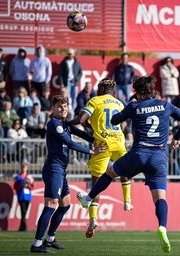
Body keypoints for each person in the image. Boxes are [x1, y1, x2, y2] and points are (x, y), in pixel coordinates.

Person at [77, 75, 180, 253]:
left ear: (136, 91)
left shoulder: (135, 106)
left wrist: (126, 111)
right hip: (159, 157)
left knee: (109, 173)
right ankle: (162, 226)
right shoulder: (165, 105)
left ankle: (88, 198)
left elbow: (114, 121)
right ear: (153, 90)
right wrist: (176, 138)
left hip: (138, 154)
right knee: (160, 198)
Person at [30, 95, 105, 253]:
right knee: (51, 205)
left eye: (65, 106)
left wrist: (98, 139)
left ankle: (50, 239)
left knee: (65, 205)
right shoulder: (54, 124)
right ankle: (36, 244)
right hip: (53, 169)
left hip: (61, 170)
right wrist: (92, 151)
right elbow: (70, 143)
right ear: (53, 108)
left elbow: (81, 134)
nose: (63, 109)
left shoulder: (65, 123)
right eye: (59, 106)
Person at [69, 78, 133, 238]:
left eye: (98, 87)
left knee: (96, 183)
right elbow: (124, 124)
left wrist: (66, 123)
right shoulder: (119, 103)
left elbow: (80, 120)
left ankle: (93, 220)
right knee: (124, 169)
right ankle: (127, 201)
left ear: (103, 88)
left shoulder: (95, 101)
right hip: (119, 142)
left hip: (102, 145)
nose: (96, 90)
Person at [13, 161, 34, 231]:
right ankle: (24, 226)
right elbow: (15, 186)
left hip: (28, 196)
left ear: (27, 168)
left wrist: (28, 185)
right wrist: (21, 185)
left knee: (25, 211)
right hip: (21, 196)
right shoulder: (18, 177)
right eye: (22, 167)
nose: (23, 169)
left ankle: (22, 227)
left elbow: (32, 187)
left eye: (25, 167)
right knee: (23, 210)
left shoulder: (29, 177)